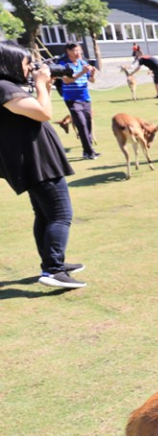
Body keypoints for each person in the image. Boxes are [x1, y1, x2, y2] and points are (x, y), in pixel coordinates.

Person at [0, 41, 86, 289]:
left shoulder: (9, 86)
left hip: (35, 158)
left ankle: (51, 262)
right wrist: (40, 84)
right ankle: (53, 270)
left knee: (45, 214)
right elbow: (43, 113)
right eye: (26, 63)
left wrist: (43, 85)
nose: (30, 67)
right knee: (61, 214)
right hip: (35, 160)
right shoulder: (4, 88)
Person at [56, 42, 100, 159]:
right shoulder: (63, 64)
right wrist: (82, 72)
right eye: (76, 51)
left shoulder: (82, 62)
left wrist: (92, 74)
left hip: (85, 98)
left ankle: (88, 150)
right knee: (81, 124)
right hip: (72, 99)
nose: (78, 53)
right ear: (68, 51)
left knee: (88, 124)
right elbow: (66, 80)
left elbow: (91, 80)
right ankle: (89, 152)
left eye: (79, 50)